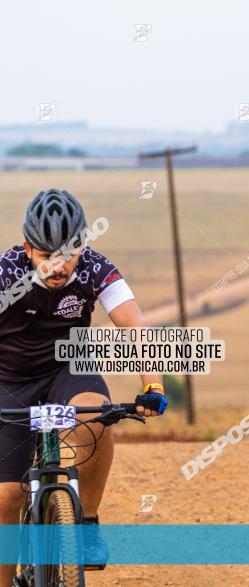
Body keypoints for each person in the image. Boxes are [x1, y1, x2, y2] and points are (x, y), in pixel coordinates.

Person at [0, 189, 167, 584]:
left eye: (69, 255)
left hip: (69, 369)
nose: (58, 267)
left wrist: (154, 385)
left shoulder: (96, 268)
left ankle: (87, 522)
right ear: (28, 249)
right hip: (8, 379)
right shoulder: (6, 272)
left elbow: (135, 326)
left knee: (95, 415)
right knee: (6, 498)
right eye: (46, 257)